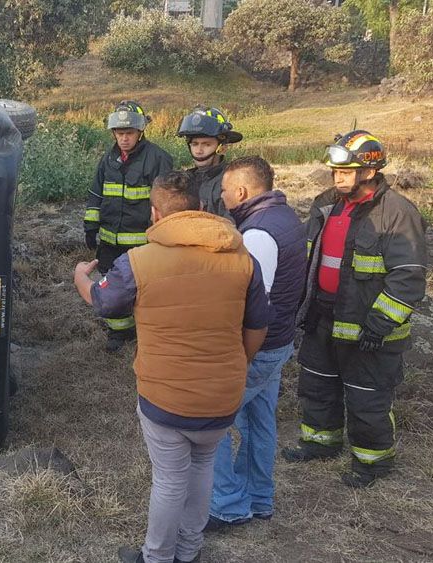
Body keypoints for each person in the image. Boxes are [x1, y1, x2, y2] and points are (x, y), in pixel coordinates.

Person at [73, 171, 270, 563]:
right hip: (221, 398)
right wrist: (237, 365)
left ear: (155, 213)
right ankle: (189, 550)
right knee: (202, 469)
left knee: (169, 479)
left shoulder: (138, 262)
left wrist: (81, 277)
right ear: (201, 207)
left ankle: (158, 556)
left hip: (166, 399)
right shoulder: (243, 259)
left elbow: (104, 302)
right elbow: (258, 326)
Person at [282, 130, 427, 488]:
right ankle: (320, 443)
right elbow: (309, 256)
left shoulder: (396, 214)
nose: (338, 178)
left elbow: (408, 277)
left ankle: (372, 463)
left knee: (367, 398)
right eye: (335, 171)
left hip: (369, 328)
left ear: (370, 171)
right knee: (317, 386)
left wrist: (379, 324)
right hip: (322, 317)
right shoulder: (325, 204)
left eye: (346, 172)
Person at [203, 156, 305, 531]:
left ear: (242, 191)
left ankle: (227, 504)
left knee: (208, 424)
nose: (223, 196)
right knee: (259, 421)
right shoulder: (285, 217)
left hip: (260, 347)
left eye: (225, 190)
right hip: (279, 342)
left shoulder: (257, 234)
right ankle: (259, 497)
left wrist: (235, 353)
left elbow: (251, 302)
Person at [84, 100, 174, 352]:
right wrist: (90, 225)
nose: (124, 138)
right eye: (119, 133)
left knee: (145, 289)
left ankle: (145, 331)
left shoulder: (158, 159)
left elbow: (166, 202)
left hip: (141, 244)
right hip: (109, 241)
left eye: (129, 133)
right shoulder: (108, 159)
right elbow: (96, 194)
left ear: (140, 131)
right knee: (111, 285)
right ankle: (118, 332)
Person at [176, 107, 243, 219]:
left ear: (222, 147)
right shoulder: (184, 182)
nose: (199, 151)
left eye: (207, 144)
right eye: (195, 144)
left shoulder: (231, 183)